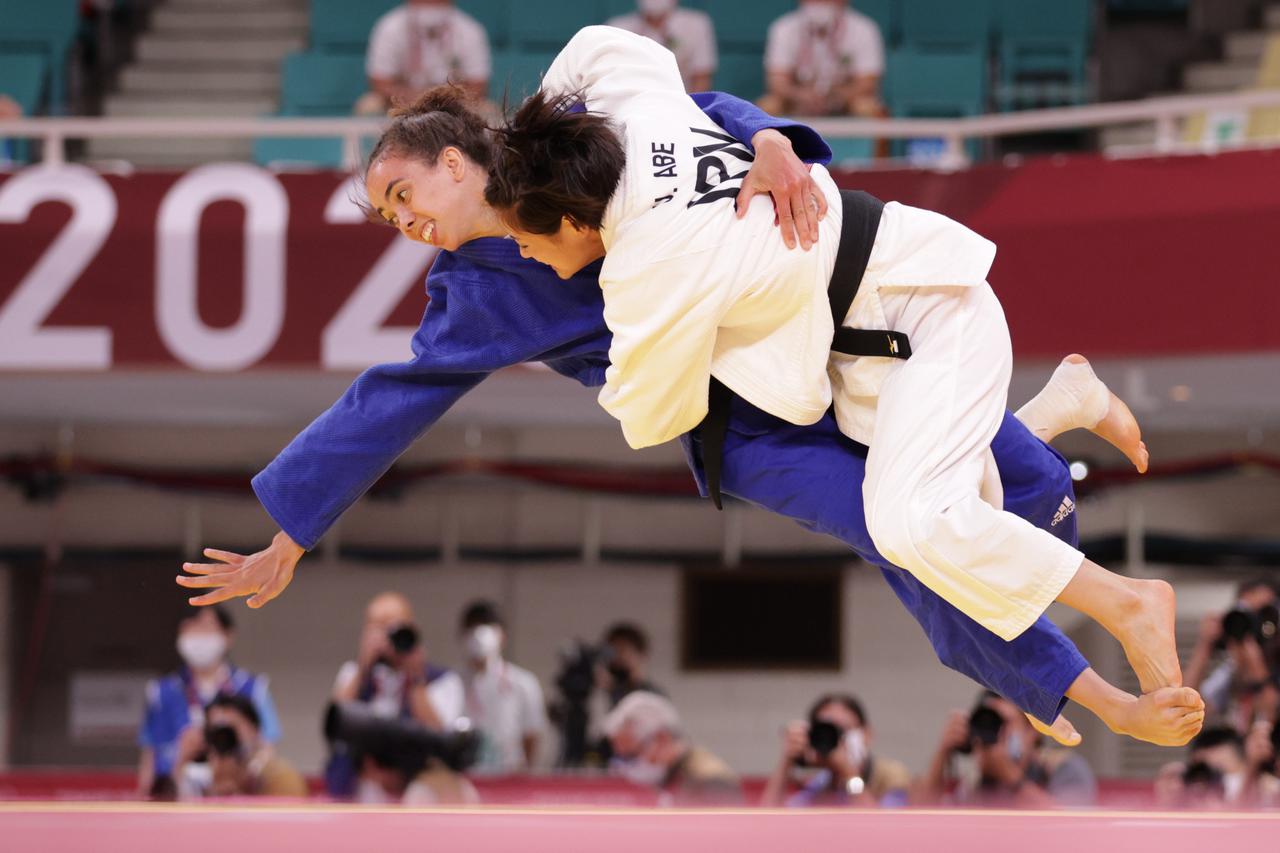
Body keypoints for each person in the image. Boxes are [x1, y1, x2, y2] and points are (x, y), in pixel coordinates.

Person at [176, 85, 1200, 748]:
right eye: (385, 218)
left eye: (401, 192)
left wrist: (767, 140)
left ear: (453, 160)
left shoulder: (563, 126)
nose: (402, 223)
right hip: (735, 422)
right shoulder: (471, 296)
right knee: (900, 537)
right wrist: (291, 531)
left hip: (799, 325)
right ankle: (1090, 693)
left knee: (991, 493)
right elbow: (389, 401)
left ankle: (1053, 417)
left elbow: (687, 101)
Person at [485, 26, 1197, 724]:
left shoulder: (646, 261)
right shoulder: (641, 119)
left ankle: (1125, 600)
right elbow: (608, 44)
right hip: (867, 342)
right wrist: (545, 136)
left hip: (916, 313)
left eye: (523, 237)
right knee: (935, 517)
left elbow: (647, 417)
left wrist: (655, 332)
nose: (523, 254)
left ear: (574, 220)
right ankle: (1061, 409)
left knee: (915, 528)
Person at [326, 591, 466, 799]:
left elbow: (440, 738)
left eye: (394, 628)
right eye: (378, 628)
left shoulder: (442, 681)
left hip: (417, 791)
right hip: (359, 791)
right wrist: (363, 668)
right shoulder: (352, 674)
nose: (387, 638)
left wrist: (415, 678)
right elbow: (334, 727)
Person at [137, 606, 281, 798]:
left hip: (237, 793)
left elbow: (267, 748)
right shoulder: (161, 692)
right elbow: (150, 757)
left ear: (227, 635)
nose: (197, 636)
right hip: (176, 794)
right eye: (190, 628)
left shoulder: (253, 689)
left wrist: (248, 770)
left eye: (205, 628)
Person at [917, 692, 1097, 807]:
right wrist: (943, 753)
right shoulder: (975, 783)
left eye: (1004, 722)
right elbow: (923, 820)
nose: (995, 731)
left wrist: (1011, 777)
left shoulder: (1064, 769)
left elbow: (1070, 826)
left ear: (1033, 730)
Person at [761, 694, 912, 808]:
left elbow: (885, 829)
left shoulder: (891, 775)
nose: (835, 740)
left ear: (866, 734)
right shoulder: (822, 781)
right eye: (825, 732)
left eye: (842, 730)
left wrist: (849, 774)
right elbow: (768, 820)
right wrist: (786, 762)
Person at [603, 691, 741, 805]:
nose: (627, 767)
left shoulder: (710, 782)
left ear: (662, 738)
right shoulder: (671, 777)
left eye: (632, 756)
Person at [458, 599, 548, 773]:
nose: (478, 639)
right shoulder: (452, 683)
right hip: (464, 778)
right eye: (472, 630)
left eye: (486, 630)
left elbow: (531, 736)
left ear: (502, 635)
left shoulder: (524, 683)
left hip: (507, 777)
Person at [357, 0, 491, 116]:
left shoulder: (470, 30)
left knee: (488, 110)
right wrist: (420, 101)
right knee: (369, 106)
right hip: (402, 103)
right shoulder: (389, 27)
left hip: (455, 105)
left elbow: (478, 85)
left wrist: (442, 102)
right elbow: (380, 83)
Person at [760, 1, 886, 118]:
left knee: (867, 107)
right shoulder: (784, 27)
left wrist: (836, 97)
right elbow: (777, 82)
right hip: (797, 101)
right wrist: (801, 95)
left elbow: (867, 83)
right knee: (768, 105)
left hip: (844, 101)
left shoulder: (863, 28)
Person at [1184, 578, 1280, 728]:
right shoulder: (1231, 671)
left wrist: (1256, 667)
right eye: (1245, 614)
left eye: (1260, 614)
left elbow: (1270, 715)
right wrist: (1205, 646)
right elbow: (1186, 709)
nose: (1251, 624)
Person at [172, 694, 307, 799]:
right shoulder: (202, 778)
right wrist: (181, 764)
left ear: (255, 729)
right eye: (215, 731)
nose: (223, 737)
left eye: (231, 729)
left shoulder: (279, 774)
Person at [606, 0, 717, 93]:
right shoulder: (617, 27)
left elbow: (702, 77)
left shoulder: (695, 24)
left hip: (681, 104)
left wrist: (690, 111)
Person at [602, 622, 664, 708]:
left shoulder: (652, 696)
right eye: (612, 652)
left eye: (622, 650)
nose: (616, 658)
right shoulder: (612, 691)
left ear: (642, 654)